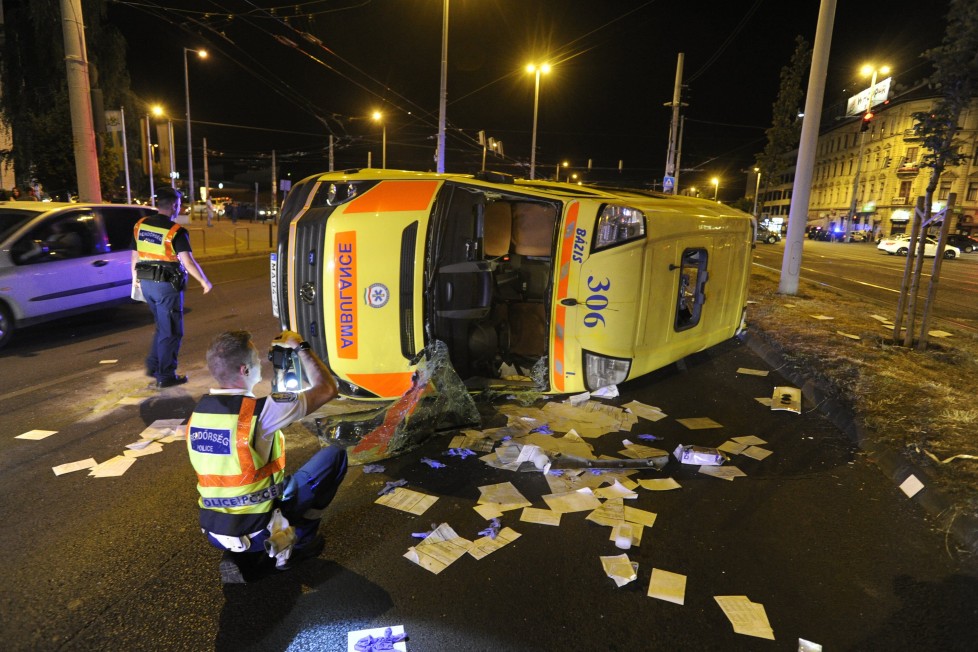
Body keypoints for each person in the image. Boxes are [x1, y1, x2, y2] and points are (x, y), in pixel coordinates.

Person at [186, 329, 346, 584]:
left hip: (213, 529)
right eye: (256, 358)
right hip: (259, 527)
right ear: (244, 370)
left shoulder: (197, 415)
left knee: (260, 492)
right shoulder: (261, 412)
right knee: (334, 457)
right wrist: (299, 345)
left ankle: (241, 556)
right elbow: (327, 389)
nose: (261, 363)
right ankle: (296, 543)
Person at [131, 187, 212, 388]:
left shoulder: (140, 225)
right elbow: (188, 261)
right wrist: (204, 281)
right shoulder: (175, 231)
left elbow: (135, 255)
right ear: (174, 206)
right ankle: (166, 375)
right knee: (172, 331)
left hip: (147, 283)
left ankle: (154, 365)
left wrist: (135, 279)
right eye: (179, 205)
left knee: (162, 326)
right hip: (166, 286)